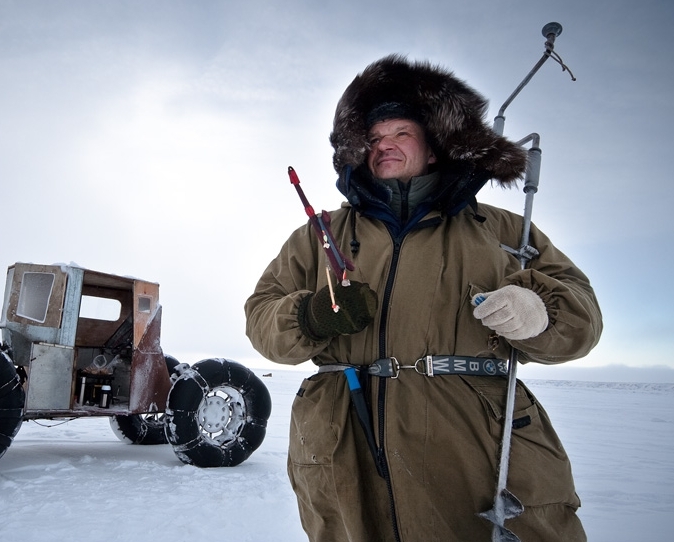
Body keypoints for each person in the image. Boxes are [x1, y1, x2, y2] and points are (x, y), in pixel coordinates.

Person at [244, 55, 602, 542]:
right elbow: (262, 316)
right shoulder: (319, 234)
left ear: (434, 148)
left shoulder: (502, 230)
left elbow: (583, 313)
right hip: (344, 445)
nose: (384, 146)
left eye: (400, 134)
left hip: (480, 450)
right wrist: (309, 316)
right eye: (373, 139)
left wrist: (540, 311)